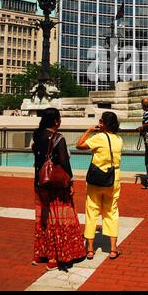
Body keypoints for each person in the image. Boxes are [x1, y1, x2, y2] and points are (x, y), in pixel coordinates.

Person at [32, 108, 86, 271]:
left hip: (40, 181)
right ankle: (56, 257)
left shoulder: (37, 135)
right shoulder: (58, 138)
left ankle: (41, 253)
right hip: (56, 184)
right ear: (56, 121)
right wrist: (70, 181)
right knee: (59, 219)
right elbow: (64, 162)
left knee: (44, 218)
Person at [76, 112, 123, 260]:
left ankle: (90, 249)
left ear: (103, 123)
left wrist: (89, 131)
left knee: (92, 212)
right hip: (113, 178)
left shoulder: (98, 138)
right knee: (111, 212)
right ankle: (113, 248)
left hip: (96, 179)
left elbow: (79, 145)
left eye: (101, 121)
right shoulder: (119, 139)